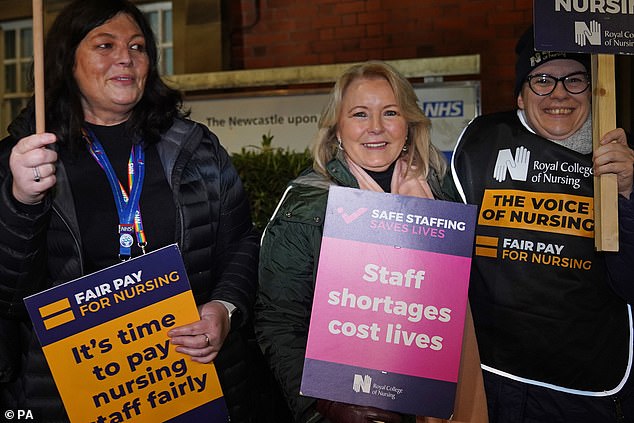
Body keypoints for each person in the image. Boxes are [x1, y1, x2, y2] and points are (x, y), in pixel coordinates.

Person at [0, 1, 259, 422]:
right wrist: (21, 203)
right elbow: (9, 297)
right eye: (105, 44)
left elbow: (241, 242)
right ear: (67, 61)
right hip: (67, 397)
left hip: (188, 383)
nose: (126, 57)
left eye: (138, 47)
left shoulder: (198, 148)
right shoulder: (24, 159)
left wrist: (224, 309)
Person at [255, 60, 488, 423]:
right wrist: (323, 406)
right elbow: (279, 321)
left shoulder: (445, 194)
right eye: (360, 114)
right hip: (349, 406)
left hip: (442, 400)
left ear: (409, 125)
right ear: (337, 129)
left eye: (390, 112)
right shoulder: (307, 205)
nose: (376, 128)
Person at [451, 27, 634, 422]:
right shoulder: (481, 146)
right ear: (520, 93)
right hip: (491, 382)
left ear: (593, 90)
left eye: (575, 79)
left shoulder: (622, 162)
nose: (559, 93)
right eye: (542, 79)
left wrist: (627, 198)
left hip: (584, 394)